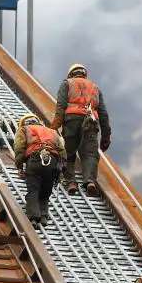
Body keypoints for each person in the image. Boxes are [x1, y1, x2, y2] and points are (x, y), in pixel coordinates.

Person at [49, 63, 111, 196]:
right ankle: (89, 182)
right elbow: (103, 113)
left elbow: (60, 107)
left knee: (68, 152)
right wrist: (106, 137)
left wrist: (54, 128)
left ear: (71, 74)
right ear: (84, 74)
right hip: (91, 121)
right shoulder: (95, 88)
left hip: (71, 120)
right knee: (90, 154)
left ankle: (71, 182)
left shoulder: (67, 84)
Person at [13, 113, 65, 226]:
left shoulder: (24, 129)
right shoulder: (52, 131)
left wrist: (19, 166)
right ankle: (43, 216)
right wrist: (60, 170)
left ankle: (33, 218)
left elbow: (19, 148)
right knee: (46, 191)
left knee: (33, 189)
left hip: (35, 159)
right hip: (52, 161)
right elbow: (62, 151)